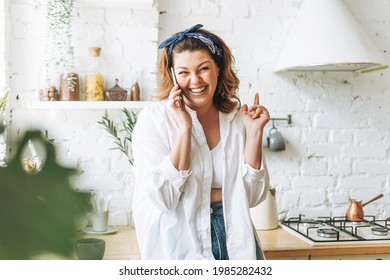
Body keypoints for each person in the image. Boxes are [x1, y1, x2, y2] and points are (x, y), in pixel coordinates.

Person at [132, 24, 270, 260]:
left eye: (203, 68)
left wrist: (254, 133)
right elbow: (163, 198)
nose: (195, 80)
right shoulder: (153, 119)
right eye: (184, 72)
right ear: (173, 74)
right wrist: (184, 128)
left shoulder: (238, 120)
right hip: (180, 243)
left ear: (217, 68)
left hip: (235, 237)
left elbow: (254, 197)